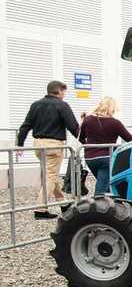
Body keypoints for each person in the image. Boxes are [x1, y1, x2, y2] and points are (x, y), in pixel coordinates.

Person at [17, 80, 79, 219]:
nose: (64, 95)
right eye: (64, 92)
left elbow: (25, 126)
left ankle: (63, 204)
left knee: (51, 174)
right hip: (54, 145)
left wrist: (19, 144)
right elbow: (72, 126)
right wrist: (85, 142)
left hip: (38, 145)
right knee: (51, 175)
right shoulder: (62, 105)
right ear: (59, 91)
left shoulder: (35, 105)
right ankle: (40, 209)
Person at [78, 97, 132, 195]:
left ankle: (112, 206)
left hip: (90, 159)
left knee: (106, 183)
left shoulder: (88, 120)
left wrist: (89, 146)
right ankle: (97, 207)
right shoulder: (115, 123)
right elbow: (129, 138)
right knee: (102, 189)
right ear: (112, 109)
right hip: (107, 159)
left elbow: (80, 137)